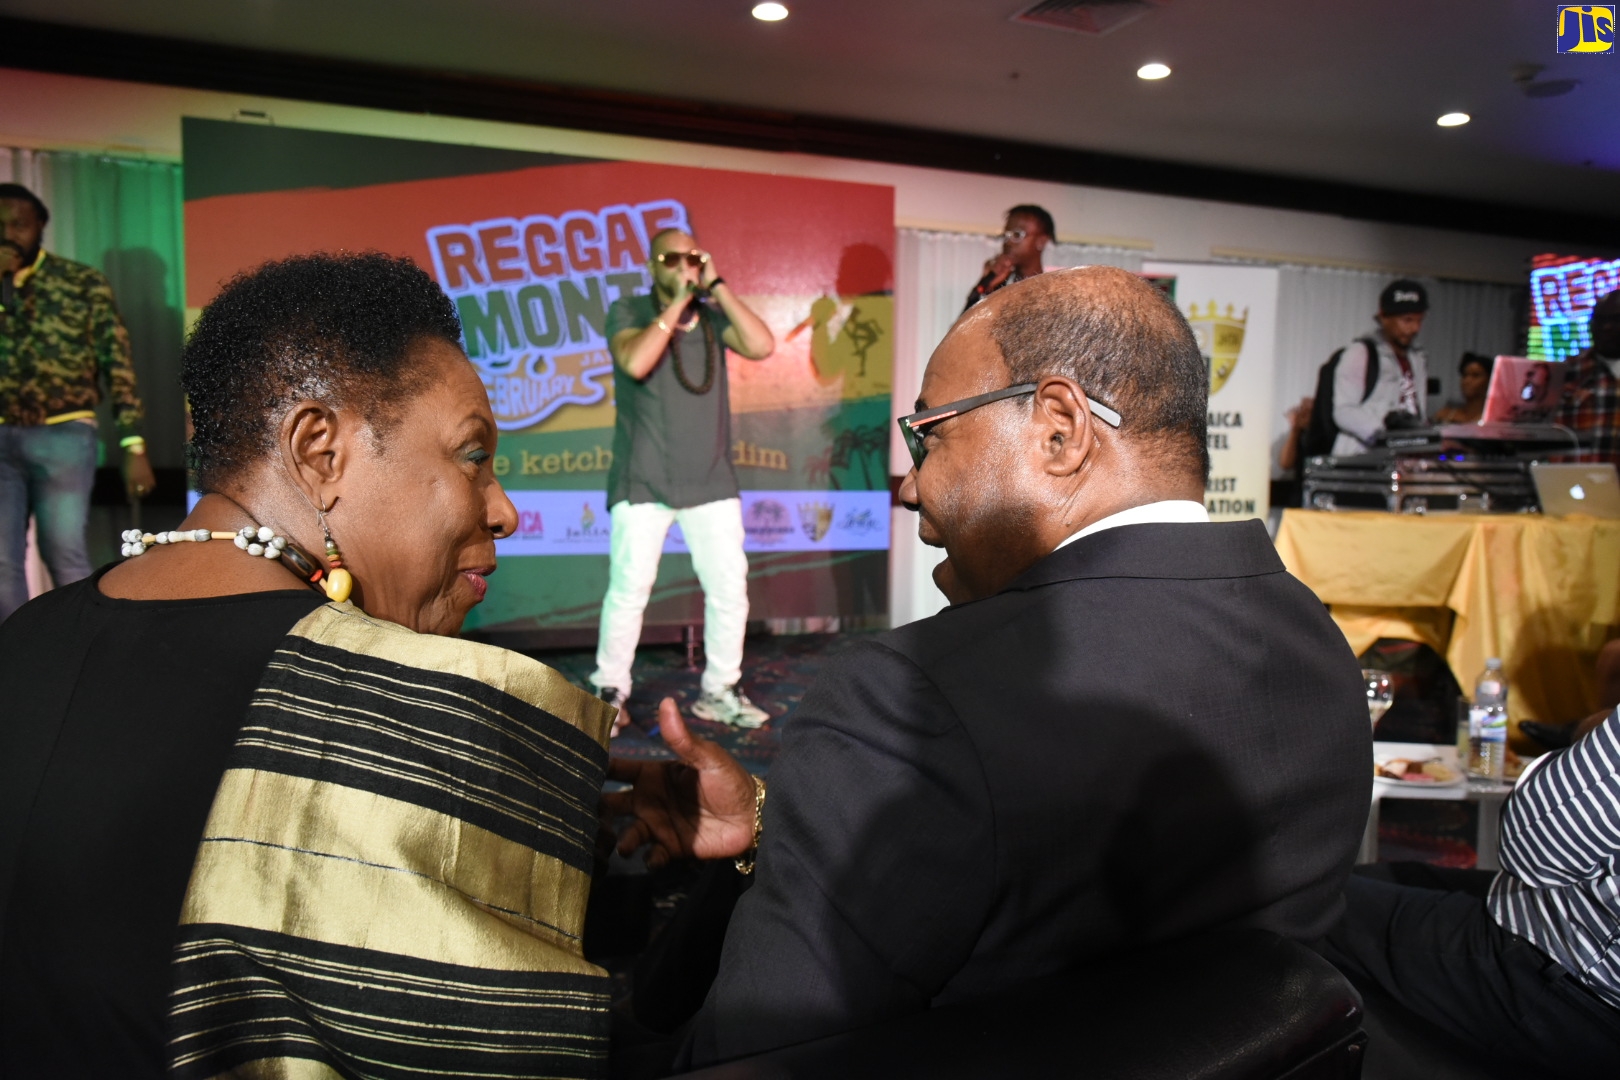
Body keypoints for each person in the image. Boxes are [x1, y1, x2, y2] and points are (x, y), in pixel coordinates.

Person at [610, 266, 1372, 1065]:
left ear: (1059, 429)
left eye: (930, 435)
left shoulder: (905, 701)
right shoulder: (1314, 639)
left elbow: (754, 1056)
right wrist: (787, 822)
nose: (910, 488)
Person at [0, 253, 616, 1078]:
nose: (502, 508)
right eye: (474, 454)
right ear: (318, 450)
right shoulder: (430, 716)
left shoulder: (24, 640)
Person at [1322, 710, 1620, 1077]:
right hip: (1547, 904)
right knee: (1364, 878)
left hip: (1574, 982)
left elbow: (1530, 847)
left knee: (1314, 905)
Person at [590, 227, 776, 732]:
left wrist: (716, 287)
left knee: (729, 589)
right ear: (652, 266)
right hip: (644, 477)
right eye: (671, 259)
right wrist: (675, 304)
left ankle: (719, 690)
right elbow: (635, 360)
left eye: (692, 257)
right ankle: (610, 690)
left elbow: (762, 345)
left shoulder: (713, 317)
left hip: (710, 479)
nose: (683, 266)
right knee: (629, 589)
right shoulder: (628, 311)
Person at [0, 182, 155, 622]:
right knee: (1, 561)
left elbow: (118, 362)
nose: (8, 234)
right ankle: (16, 660)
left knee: (64, 551)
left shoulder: (81, 282)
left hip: (63, 434)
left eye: (19, 225)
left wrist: (133, 445)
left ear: (40, 229)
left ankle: (76, 649)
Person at [1330, 279, 1431, 455]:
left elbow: (1416, 408)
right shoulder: (1360, 353)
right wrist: (1384, 436)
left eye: (1419, 320)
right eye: (1407, 320)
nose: (1415, 328)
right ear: (1383, 317)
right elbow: (1343, 411)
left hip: (1404, 457)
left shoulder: (1417, 358)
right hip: (1362, 458)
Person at [1554, 288, 1620, 465]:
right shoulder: (1566, 372)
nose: (1607, 327)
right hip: (1568, 485)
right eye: (1599, 320)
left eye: (1616, 320)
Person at [962, 204, 1054, 312]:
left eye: (1017, 235)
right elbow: (963, 328)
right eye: (1006, 235)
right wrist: (987, 286)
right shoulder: (1002, 288)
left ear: (1041, 241)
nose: (1008, 242)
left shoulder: (1049, 295)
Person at [1433, 352, 1493, 424]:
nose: (1467, 381)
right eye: (1465, 375)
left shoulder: (1493, 419)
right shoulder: (1445, 415)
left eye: (1475, 375)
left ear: (1490, 380)